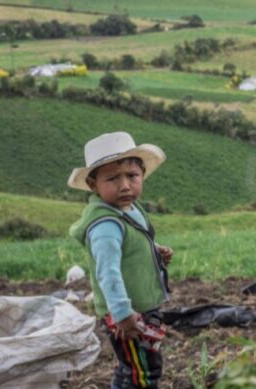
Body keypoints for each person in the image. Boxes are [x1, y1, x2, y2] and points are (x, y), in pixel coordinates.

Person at [68, 131, 172, 389]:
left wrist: (154, 250)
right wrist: (123, 314)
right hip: (127, 313)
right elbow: (108, 272)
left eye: (132, 176)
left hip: (140, 307)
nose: (125, 185)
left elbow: (132, 241)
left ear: (142, 175)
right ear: (94, 185)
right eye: (113, 178)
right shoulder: (105, 226)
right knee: (141, 374)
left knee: (135, 367)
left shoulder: (129, 209)